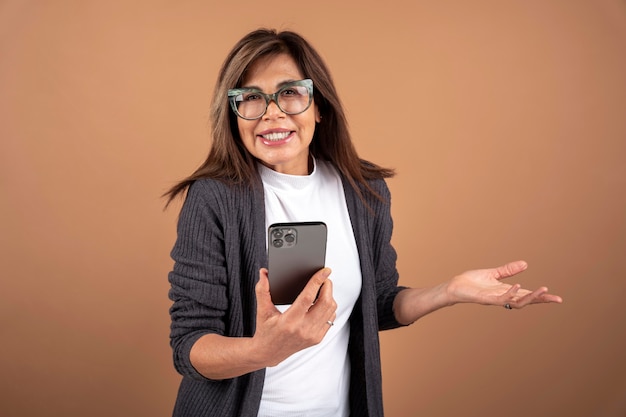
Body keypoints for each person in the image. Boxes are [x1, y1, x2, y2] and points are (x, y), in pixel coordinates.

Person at [164, 28, 563, 417]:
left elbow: (380, 304)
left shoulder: (363, 191)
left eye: (290, 93)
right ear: (233, 114)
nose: (271, 112)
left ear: (319, 106)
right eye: (251, 98)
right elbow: (189, 345)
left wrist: (450, 291)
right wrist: (264, 351)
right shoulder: (214, 198)